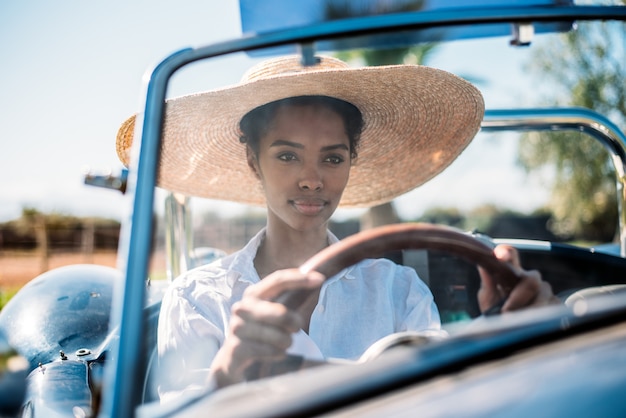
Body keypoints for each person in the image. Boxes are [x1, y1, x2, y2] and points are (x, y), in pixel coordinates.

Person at [116, 55, 557, 401]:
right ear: (254, 161)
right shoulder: (197, 298)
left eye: (332, 157)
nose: (312, 179)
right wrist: (228, 374)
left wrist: (510, 339)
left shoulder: (398, 289)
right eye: (287, 156)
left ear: (351, 161)